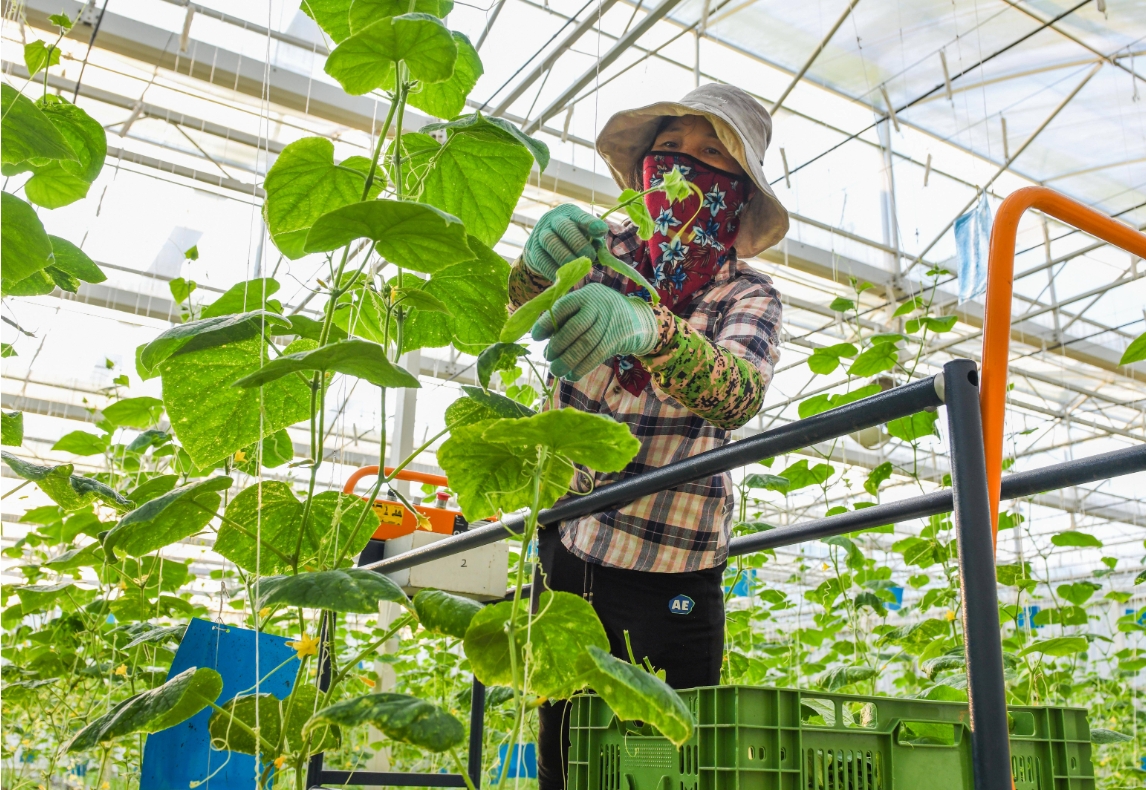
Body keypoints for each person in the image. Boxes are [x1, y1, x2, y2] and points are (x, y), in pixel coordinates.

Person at [507, 84, 789, 790]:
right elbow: (516, 309)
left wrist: (653, 330)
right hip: (571, 545)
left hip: (677, 562)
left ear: (738, 191)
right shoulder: (604, 252)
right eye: (669, 153)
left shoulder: (745, 295)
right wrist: (537, 265)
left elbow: (736, 394)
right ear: (643, 173)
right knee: (566, 754)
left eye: (707, 157)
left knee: (672, 757)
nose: (682, 170)